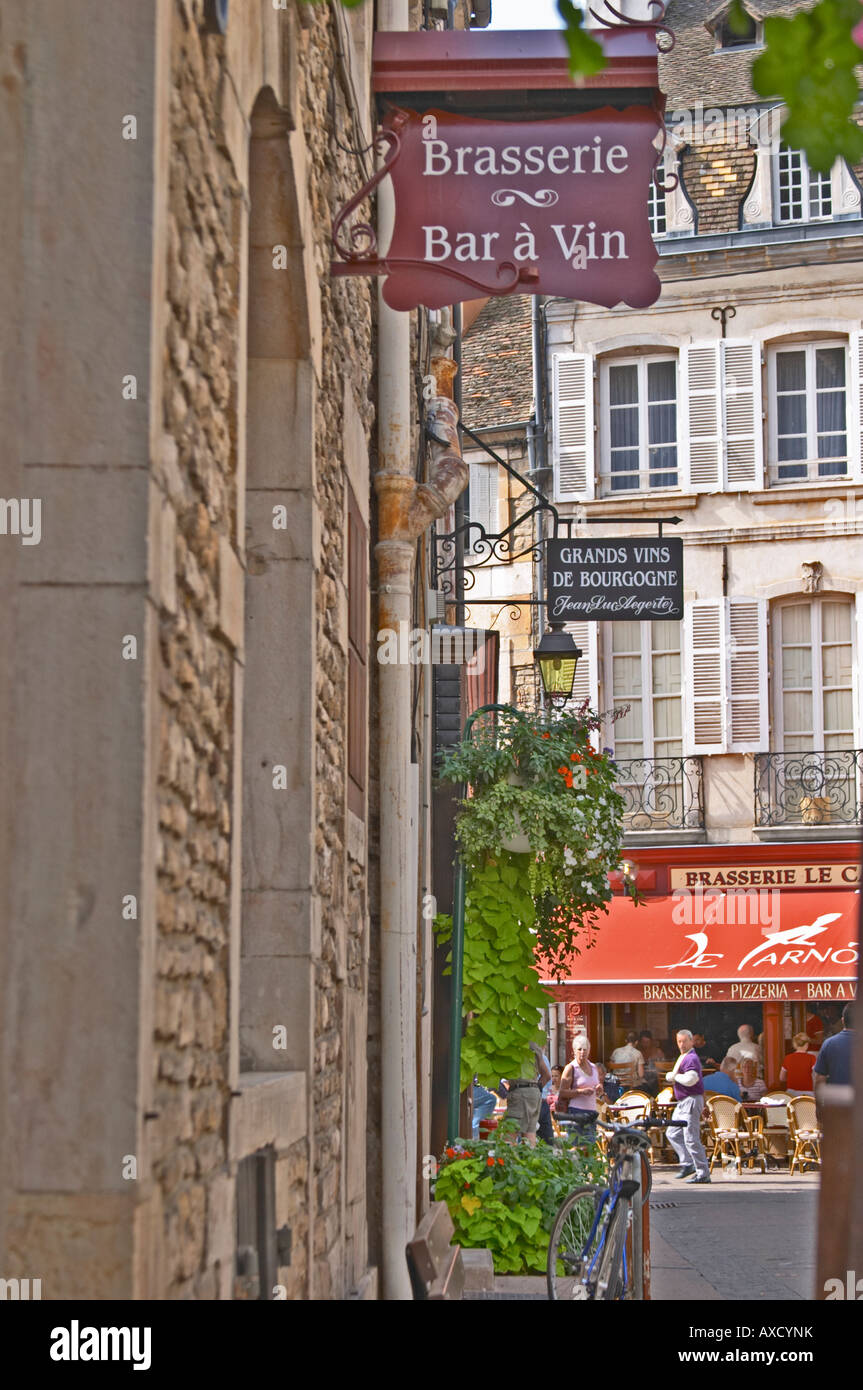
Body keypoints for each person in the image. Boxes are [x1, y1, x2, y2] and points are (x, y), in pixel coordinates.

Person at [665, 1028, 710, 1184]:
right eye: (679, 1041)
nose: (682, 1044)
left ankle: (702, 1173)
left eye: (684, 1041)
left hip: (690, 1100)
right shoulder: (685, 1056)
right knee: (672, 1132)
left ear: (692, 1041)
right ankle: (688, 1164)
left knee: (691, 1138)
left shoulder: (690, 1058)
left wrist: (674, 1076)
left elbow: (692, 1079)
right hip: (684, 1101)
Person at [501, 1041, 551, 1147]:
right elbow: (547, 1076)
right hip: (534, 1094)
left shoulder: (513, 1044)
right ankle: (530, 1161)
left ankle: (505, 1161)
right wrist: (534, 1088)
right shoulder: (534, 1046)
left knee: (510, 1132)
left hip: (520, 1092)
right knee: (530, 1132)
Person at [557, 1035, 602, 1141]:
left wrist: (599, 1088)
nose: (582, 1052)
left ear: (589, 1050)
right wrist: (581, 1091)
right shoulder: (571, 1068)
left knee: (590, 1146)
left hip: (591, 1112)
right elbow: (562, 1092)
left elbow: (596, 1086)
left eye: (585, 1049)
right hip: (576, 1112)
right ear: (574, 1051)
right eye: (579, 1049)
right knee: (576, 1146)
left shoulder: (594, 1067)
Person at [813, 1002, 855, 1100]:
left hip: (837, 1105)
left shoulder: (828, 1044)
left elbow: (820, 1080)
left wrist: (818, 1107)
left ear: (843, 1021)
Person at [636, 1030, 662, 1095]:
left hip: (656, 1078)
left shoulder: (657, 1051)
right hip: (642, 1080)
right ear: (640, 1042)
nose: (645, 1044)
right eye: (643, 1042)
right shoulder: (638, 1052)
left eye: (647, 1042)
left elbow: (662, 1066)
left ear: (651, 1041)